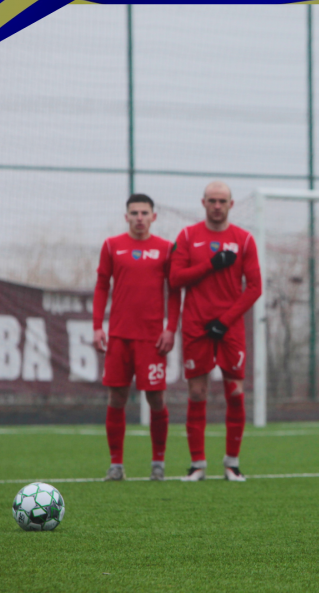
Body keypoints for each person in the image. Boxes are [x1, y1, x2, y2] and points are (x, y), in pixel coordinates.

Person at [170, 181, 261, 482]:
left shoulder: (244, 240)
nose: (217, 206)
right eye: (212, 201)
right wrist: (211, 264)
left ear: (231, 204)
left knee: (235, 392)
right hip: (196, 326)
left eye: (222, 201)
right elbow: (175, 279)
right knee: (197, 392)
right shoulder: (187, 236)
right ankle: (197, 465)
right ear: (204, 203)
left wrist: (226, 320)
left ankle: (232, 464)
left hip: (230, 328)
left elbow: (255, 287)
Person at [93, 193, 181, 481]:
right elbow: (102, 286)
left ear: (153, 217)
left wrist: (171, 328)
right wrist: (98, 326)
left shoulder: (166, 249)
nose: (139, 218)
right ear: (126, 217)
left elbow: (174, 292)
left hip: (151, 339)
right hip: (119, 336)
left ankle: (158, 462)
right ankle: (116, 464)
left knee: (156, 398)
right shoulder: (112, 246)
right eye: (134, 213)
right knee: (117, 396)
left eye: (144, 213)